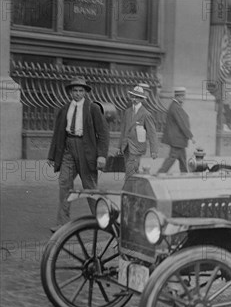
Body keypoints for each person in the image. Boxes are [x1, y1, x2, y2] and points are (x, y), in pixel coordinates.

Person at [47, 77, 109, 232]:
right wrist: (52, 155)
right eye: (75, 90)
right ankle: (62, 223)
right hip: (68, 148)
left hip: (86, 150)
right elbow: (58, 134)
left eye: (81, 90)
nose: (78, 93)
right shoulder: (64, 108)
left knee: (90, 187)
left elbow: (103, 134)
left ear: (85, 92)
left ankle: (101, 220)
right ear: (70, 92)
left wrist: (101, 155)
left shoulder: (93, 108)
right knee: (64, 184)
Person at [119, 85, 158, 180]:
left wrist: (154, 151)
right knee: (132, 170)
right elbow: (123, 130)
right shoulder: (127, 112)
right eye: (134, 96)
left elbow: (152, 133)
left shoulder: (146, 114)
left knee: (130, 171)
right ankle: (135, 189)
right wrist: (119, 146)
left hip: (137, 147)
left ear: (142, 99)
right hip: (126, 146)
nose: (135, 99)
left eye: (138, 97)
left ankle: (127, 190)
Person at [158, 87, 195, 174]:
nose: (184, 98)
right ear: (178, 96)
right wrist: (190, 136)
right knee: (172, 157)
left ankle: (185, 174)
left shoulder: (175, 106)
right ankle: (160, 173)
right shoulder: (176, 107)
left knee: (182, 158)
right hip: (177, 139)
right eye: (182, 96)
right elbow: (182, 124)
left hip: (178, 139)